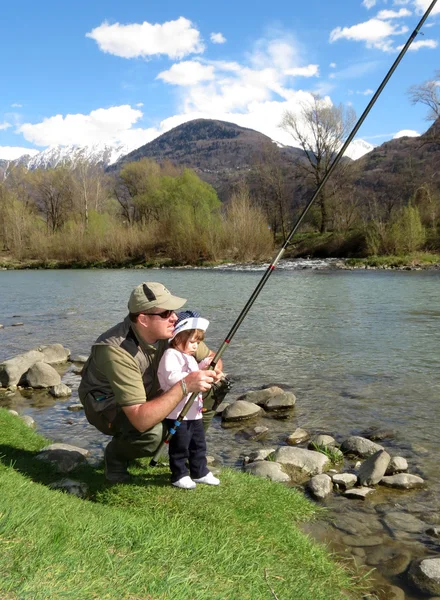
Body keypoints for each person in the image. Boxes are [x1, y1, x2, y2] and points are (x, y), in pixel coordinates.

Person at [78, 282, 222, 483]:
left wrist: (212, 370)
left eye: (173, 310)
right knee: (153, 433)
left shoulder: (172, 331)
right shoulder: (117, 350)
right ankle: (116, 456)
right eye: (165, 314)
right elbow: (140, 418)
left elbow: (212, 357)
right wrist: (185, 385)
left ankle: (189, 454)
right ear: (143, 319)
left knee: (212, 391)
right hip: (109, 407)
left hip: (149, 393)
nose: (174, 317)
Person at [158, 311, 220, 489]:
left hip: (195, 413)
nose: (195, 346)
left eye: (198, 342)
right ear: (178, 338)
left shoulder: (189, 357)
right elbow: (172, 378)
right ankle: (179, 474)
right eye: (193, 341)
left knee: (198, 444)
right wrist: (196, 375)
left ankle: (199, 471)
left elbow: (195, 371)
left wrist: (206, 368)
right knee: (180, 446)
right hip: (178, 412)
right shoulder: (170, 355)